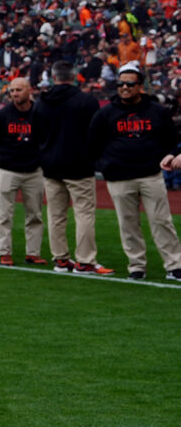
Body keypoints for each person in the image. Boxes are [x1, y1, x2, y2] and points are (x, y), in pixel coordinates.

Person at [89, 62, 181, 281]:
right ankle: (137, 266)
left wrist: (170, 154)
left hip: (150, 175)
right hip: (119, 177)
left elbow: (171, 139)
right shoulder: (106, 113)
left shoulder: (157, 111)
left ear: (141, 86)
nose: (125, 87)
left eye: (130, 84)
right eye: (121, 83)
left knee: (161, 221)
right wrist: (106, 165)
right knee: (128, 224)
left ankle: (175, 264)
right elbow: (93, 143)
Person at [38, 61, 108, 275]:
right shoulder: (86, 100)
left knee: (56, 214)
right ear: (74, 75)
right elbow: (96, 133)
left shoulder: (42, 101)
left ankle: (60, 260)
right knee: (84, 213)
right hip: (78, 165)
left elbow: (35, 134)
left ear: (53, 76)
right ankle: (85, 261)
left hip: (50, 165)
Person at [0, 75, 49, 266]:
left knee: (35, 214)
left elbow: (46, 137)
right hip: (7, 169)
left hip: (34, 170)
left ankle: (33, 252)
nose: (14, 94)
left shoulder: (39, 113)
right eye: (11, 91)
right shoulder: (1, 115)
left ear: (29, 91)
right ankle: (4, 252)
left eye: (18, 90)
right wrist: (3, 155)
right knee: (4, 213)